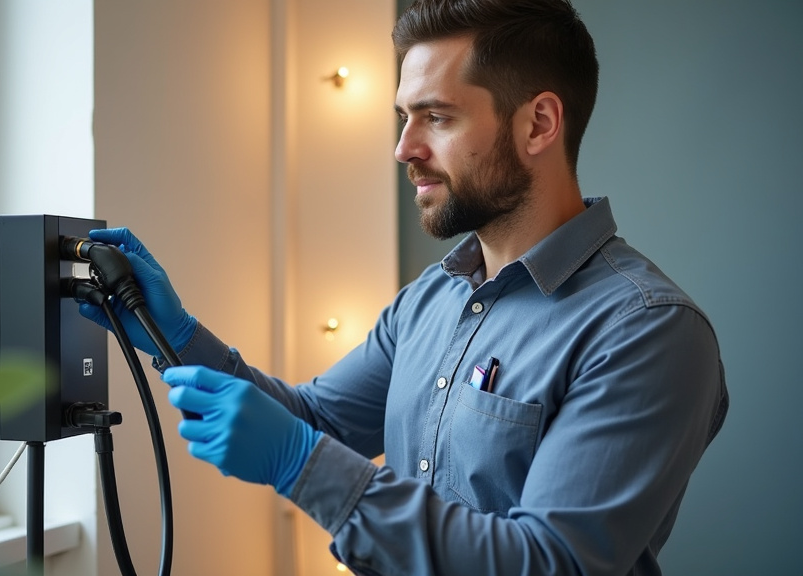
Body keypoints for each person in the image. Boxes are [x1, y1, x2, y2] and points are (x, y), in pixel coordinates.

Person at [80, 0, 729, 574]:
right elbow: (316, 421)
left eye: (436, 117)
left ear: (538, 125)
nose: (403, 147)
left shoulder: (647, 330)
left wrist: (300, 463)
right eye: (402, 117)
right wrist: (176, 334)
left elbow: (550, 562)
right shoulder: (429, 300)